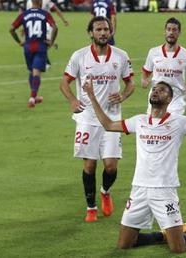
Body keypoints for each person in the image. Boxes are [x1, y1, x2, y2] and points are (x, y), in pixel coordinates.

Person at [84, 75, 186, 253]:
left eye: (162, 90)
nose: (156, 91)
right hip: (139, 189)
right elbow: (109, 125)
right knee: (124, 244)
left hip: (164, 190)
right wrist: (92, 96)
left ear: (169, 99)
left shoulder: (179, 122)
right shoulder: (139, 120)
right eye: (154, 89)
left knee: (178, 249)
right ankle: (163, 236)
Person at [59, 16, 135, 222]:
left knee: (111, 166)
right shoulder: (80, 56)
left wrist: (124, 95)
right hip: (87, 119)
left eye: (106, 29)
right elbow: (64, 82)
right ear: (91, 33)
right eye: (99, 30)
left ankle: (105, 191)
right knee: (90, 166)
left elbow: (130, 83)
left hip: (112, 119)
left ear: (111, 32)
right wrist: (73, 100)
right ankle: (91, 207)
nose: (103, 33)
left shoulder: (120, 56)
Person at [141, 17, 186, 115]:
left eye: (174, 30)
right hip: (156, 98)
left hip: (176, 100)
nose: (171, 32)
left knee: (170, 128)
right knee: (153, 128)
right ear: (165, 31)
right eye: (169, 29)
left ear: (179, 33)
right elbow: (146, 72)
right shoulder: (153, 52)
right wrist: (144, 80)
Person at [10, 0, 58, 107]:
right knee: (36, 72)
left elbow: (12, 29)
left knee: (32, 71)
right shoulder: (45, 14)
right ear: (40, 2)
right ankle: (32, 98)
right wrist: (51, 42)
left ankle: (34, 96)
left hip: (27, 47)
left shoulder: (24, 14)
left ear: (31, 2)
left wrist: (19, 42)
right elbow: (55, 27)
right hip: (40, 46)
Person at [25, 0, 69, 69]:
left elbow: (55, 9)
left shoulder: (46, 1)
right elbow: (27, 16)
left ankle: (45, 62)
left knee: (42, 43)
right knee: (40, 43)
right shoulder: (29, 2)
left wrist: (63, 20)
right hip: (36, 26)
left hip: (48, 25)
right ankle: (45, 61)